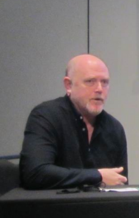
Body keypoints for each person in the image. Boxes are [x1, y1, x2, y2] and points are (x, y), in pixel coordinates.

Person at [19, 54, 128, 189]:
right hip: (54, 207)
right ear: (68, 85)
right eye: (90, 81)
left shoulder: (114, 128)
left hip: (99, 208)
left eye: (104, 82)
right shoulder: (46, 116)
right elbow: (35, 173)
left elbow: (120, 183)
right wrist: (97, 176)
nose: (99, 89)